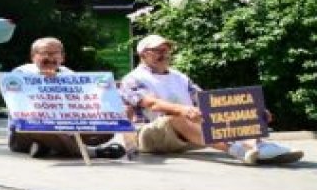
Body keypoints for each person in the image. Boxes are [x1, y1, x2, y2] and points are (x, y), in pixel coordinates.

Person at [120, 34, 303, 165]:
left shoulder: (179, 77)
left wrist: (252, 112)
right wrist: (183, 110)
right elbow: (152, 103)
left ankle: (259, 146)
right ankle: (237, 149)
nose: (164, 54)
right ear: (143, 55)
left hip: (188, 133)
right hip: (149, 136)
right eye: (157, 50)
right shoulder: (133, 78)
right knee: (174, 115)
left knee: (237, 106)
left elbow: (205, 101)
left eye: (166, 50)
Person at [7, 37, 128, 160]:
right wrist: (43, 82)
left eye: (55, 53)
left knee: (107, 129)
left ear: (62, 57)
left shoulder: (69, 74)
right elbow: (17, 103)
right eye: (45, 53)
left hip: (66, 127)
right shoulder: (21, 73)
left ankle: (49, 147)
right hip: (26, 132)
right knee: (45, 129)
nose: (50, 58)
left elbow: (82, 104)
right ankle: (93, 153)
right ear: (33, 56)